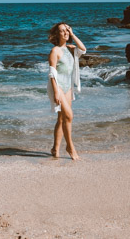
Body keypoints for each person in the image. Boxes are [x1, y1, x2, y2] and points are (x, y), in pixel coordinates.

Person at [47, 22, 86, 160]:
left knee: (62, 118)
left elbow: (83, 49)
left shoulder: (70, 49)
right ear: (57, 34)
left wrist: (73, 34)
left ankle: (55, 149)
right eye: (62, 31)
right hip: (57, 86)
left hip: (68, 87)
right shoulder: (55, 51)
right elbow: (52, 73)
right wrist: (56, 92)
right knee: (69, 116)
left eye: (67, 30)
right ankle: (70, 147)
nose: (65, 32)